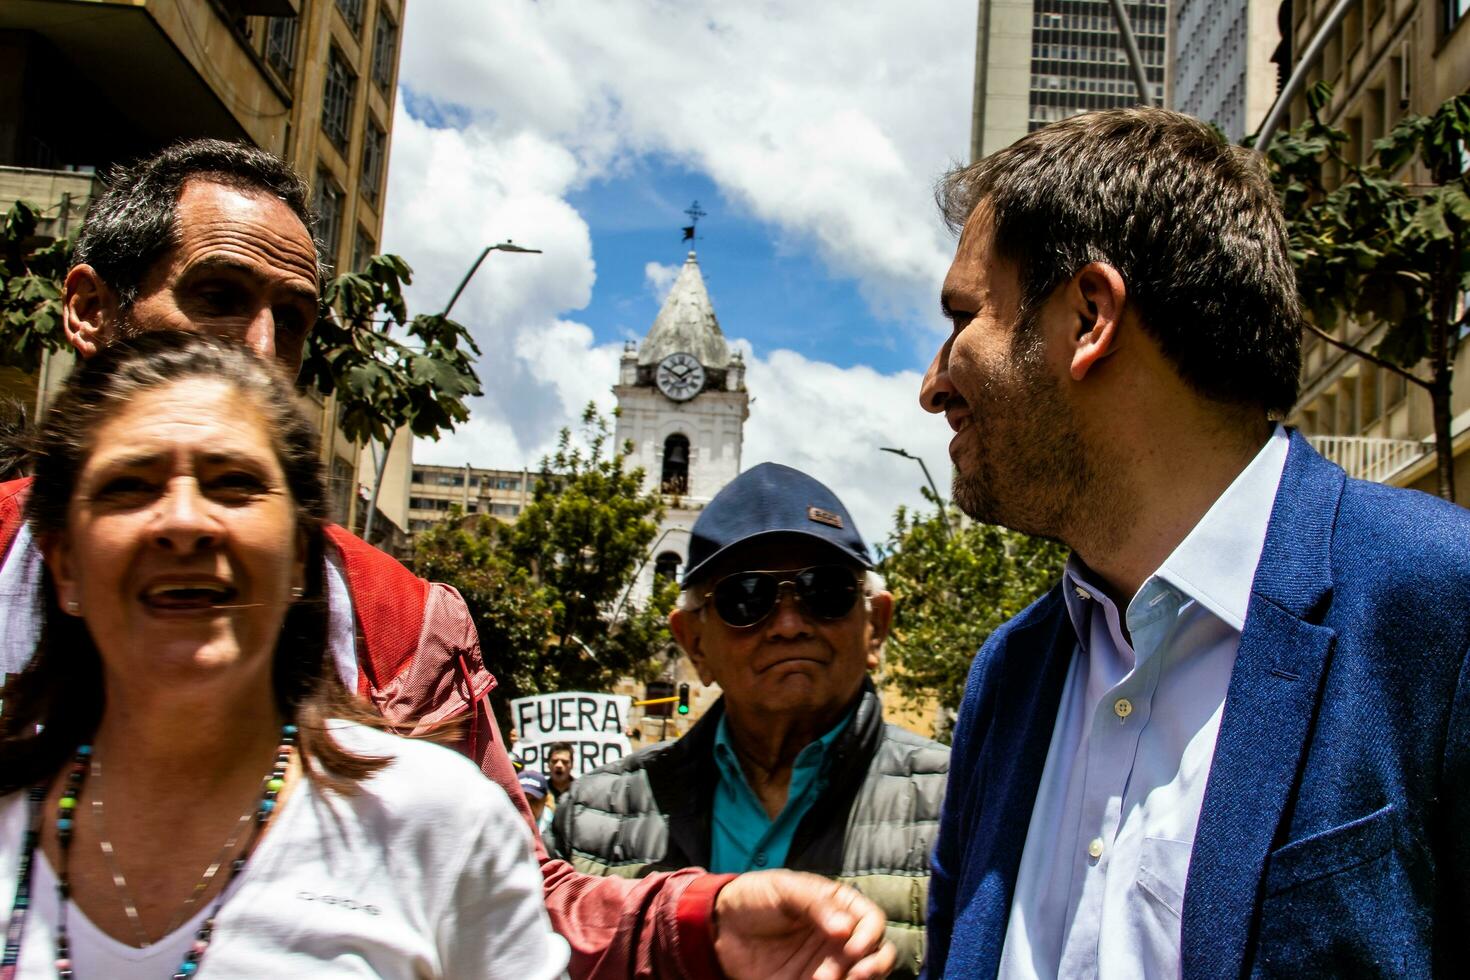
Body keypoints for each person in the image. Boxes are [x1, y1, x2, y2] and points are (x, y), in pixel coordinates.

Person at [0, 138, 895, 980]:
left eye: (296, 320)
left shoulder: (402, 629)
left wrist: (697, 920)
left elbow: (504, 891)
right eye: (220, 295)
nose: (264, 351)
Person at [917, 107, 1470, 977]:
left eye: (962, 319)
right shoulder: (1010, 673)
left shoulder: (1441, 606)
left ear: (1090, 316)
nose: (933, 385)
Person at [0, 332, 569, 977]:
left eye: (234, 483)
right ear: (64, 563)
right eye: (130, 485)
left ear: (302, 558)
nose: (184, 522)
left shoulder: (439, 826)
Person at [553, 463, 949, 978]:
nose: (788, 624)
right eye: (747, 598)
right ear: (695, 643)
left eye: (825, 591)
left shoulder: (963, 801)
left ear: (876, 626)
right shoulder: (590, 818)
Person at [519, 770, 555, 838]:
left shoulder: (555, 827)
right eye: (522, 800)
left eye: (533, 801)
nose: (528, 806)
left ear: (545, 799)